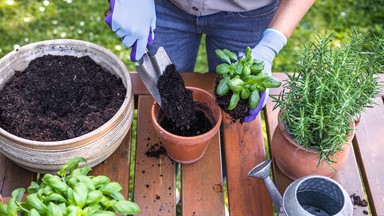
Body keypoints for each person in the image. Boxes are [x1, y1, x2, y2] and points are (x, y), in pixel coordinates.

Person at [104, 0, 315, 122]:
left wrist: (271, 44)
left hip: (248, 12)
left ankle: (222, 172)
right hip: (164, 6)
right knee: (168, 101)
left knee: (231, 111)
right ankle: (171, 166)